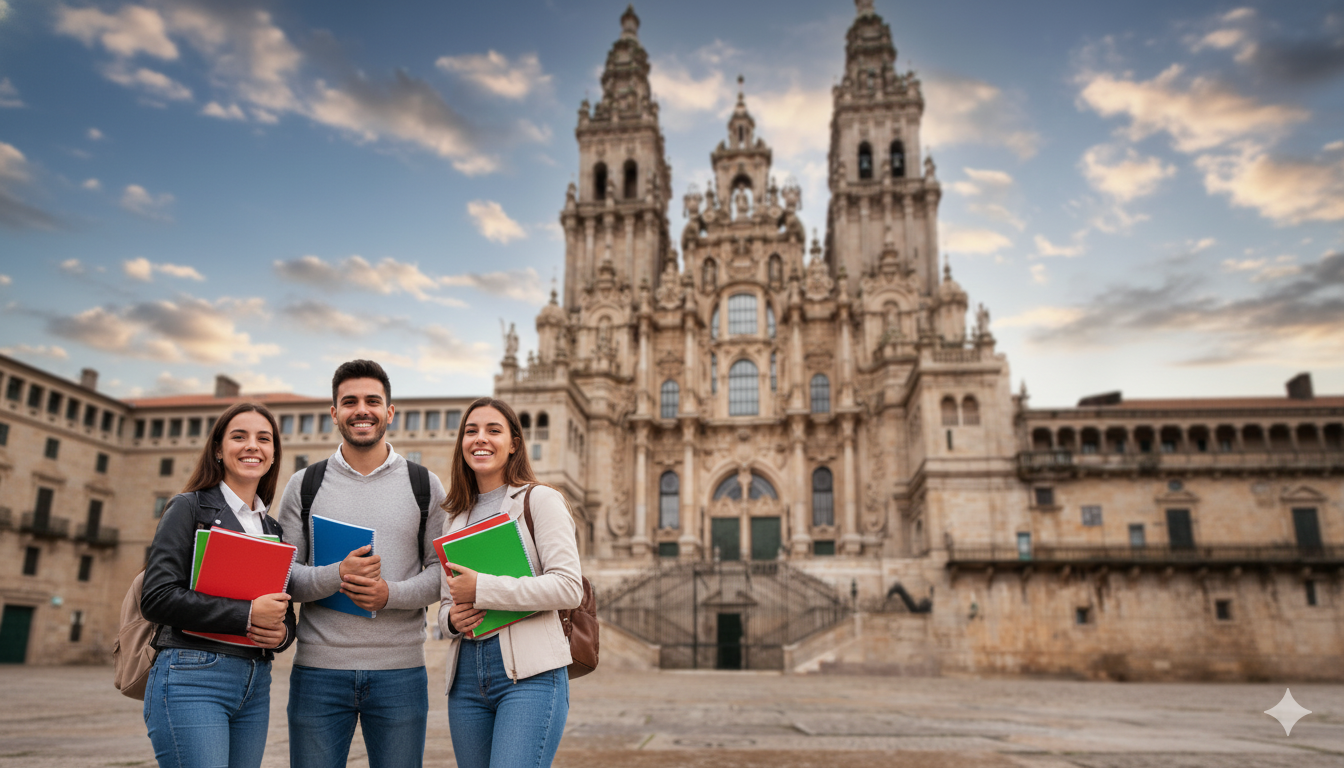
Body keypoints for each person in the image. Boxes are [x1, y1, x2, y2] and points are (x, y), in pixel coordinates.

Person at [277, 359, 448, 768]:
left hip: (401, 673)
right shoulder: (304, 484)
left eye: (373, 400)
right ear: (334, 413)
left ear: (389, 412)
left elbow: (441, 573)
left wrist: (389, 594)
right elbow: (283, 575)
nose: (362, 410)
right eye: (349, 401)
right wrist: (336, 575)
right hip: (318, 672)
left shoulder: (424, 485)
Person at [140, 402, 297, 768]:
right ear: (217, 450)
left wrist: (282, 635)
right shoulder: (188, 507)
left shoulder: (272, 528)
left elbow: (283, 611)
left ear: (273, 454)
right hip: (192, 675)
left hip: (255, 681)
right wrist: (247, 615)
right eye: (238, 437)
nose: (252, 446)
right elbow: (157, 597)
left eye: (264, 439)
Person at [439, 397, 584, 768]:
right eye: (471, 431)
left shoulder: (541, 500)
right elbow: (445, 605)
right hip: (466, 681)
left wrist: (483, 589)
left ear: (514, 443)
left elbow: (569, 587)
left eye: (493, 430)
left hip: (531, 677)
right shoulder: (454, 517)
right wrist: (452, 621)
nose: (480, 439)